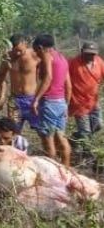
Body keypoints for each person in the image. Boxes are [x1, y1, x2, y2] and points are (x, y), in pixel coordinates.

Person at [32, 34, 72, 165]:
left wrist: (36, 99)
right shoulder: (62, 58)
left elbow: (48, 78)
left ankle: (51, 173)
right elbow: (68, 85)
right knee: (61, 137)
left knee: (48, 140)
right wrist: (66, 104)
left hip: (49, 103)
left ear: (40, 47)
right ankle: (66, 169)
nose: (37, 54)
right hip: (61, 103)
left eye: (36, 51)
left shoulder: (47, 56)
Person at [0, 35, 41, 132]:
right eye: (15, 50)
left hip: (33, 99)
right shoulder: (7, 57)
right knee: (13, 131)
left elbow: (48, 71)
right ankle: (15, 147)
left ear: (25, 44)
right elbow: (1, 75)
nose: (17, 53)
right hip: (15, 100)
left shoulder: (35, 55)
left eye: (20, 50)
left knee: (42, 131)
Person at [68, 41, 104, 143]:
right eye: (88, 53)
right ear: (82, 52)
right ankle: (86, 149)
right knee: (85, 131)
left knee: (99, 125)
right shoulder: (73, 63)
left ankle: (76, 137)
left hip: (93, 101)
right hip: (78, 102)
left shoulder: (99, 62)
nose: (90, 56)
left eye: (92, 54)